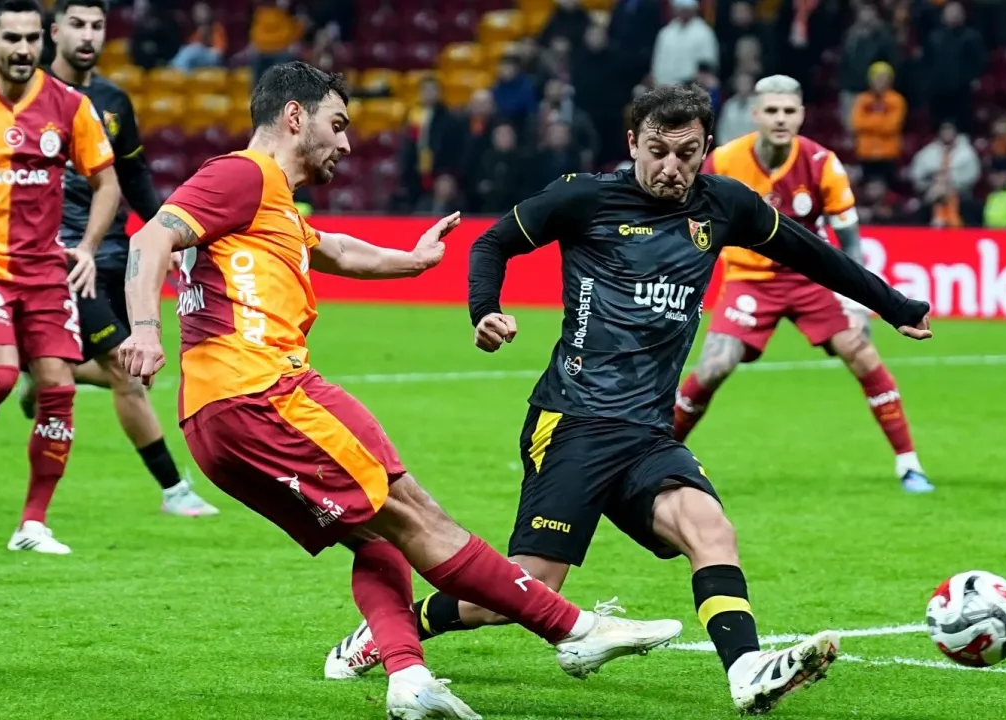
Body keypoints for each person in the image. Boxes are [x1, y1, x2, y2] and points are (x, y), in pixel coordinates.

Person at [327, 84, 933, 715]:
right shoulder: (584, 197)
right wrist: (486, 310)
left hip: (647, 433)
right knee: (525, 590)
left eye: (687, 153)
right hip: (573, 422)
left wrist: (892, 306)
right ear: (633, 143)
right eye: (658, 151)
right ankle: (392, 629)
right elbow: (493, 242)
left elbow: (811, 254)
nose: (672, 167)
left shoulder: (724, 204)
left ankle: (746, 671)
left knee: (710, 528)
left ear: (705, 149)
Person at [118, 61, 682, 720]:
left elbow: (334, 250)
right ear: (294, 117)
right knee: (417, 515)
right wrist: (143, 329)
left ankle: (408, 677)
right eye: (337, 124)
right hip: (266, 389)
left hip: (212, 422)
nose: (346, 142)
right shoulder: (245, 175)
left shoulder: (270, 204)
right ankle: (576, 630)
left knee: (376, 538)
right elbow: (151, 236)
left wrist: (412, 261)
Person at [674, 75, 932, 492]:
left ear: (801, 115)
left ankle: (909, 465)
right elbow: (693, 222)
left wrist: (858, 305)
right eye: (772, 110)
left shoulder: (821, 162)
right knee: (714, 367)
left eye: (788, 111)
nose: (780, 118)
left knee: (862, 354)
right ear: (756, 114)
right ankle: (657, 454)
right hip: (750, 279)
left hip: (811, 277)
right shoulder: (723, 161)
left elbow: (850, 241)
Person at [16, 0, 218, 517]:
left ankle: (41, 369)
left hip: (113, 252)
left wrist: (168, 235)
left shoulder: (112, 101)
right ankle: (174, 490)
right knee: (126, 371)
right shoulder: (25, 96)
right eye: (77, 25)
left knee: (127, 371)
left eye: (97, 26)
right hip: (60, 257)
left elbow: (134, 176)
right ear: (54, 32)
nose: (88, 36)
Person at [0, 0, 120, 554]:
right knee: (0, 376)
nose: (24, 49)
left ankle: (32, 524)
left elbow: (107, 183)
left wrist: (88, 247)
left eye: (32, 39)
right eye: (12, 38)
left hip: (45, 273)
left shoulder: (71, 106)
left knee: (57, 387)